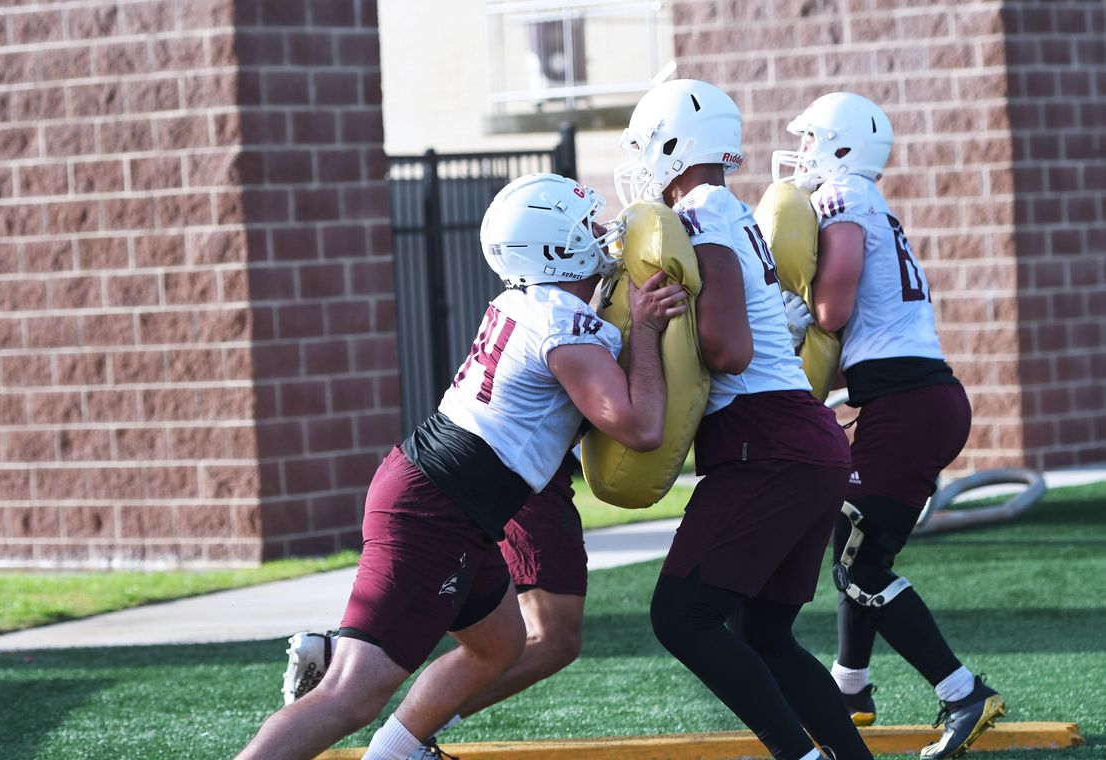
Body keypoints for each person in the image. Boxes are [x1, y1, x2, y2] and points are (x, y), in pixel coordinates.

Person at [233, 172, 688, 760]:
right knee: (352, 695)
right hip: (437, 510)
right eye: (585, 225)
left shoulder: (528, 303)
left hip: (446, 500)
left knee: (498, 644)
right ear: (554, 248)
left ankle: (394, 752)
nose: (601, 233)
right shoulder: (560, 321)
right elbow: (641, 427)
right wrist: (648, 331)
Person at [614, 78, 872, 760]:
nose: (641, 163)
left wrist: (653, 332)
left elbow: (730, 349)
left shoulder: (701, 211)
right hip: (798, 439)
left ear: (675, 146)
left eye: (647, 147)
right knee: (763, 634)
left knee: (680, 617)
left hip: (768, 440)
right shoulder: (722, 209)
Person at [772, 91, 1006, 760]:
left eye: (813, 140)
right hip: (917, 398)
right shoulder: (874, 205)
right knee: (856, 541)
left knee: (857, 561)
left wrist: (800, 305)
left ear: (841, 148)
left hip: (909, 406)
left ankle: (963, 692)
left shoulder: (844, 198)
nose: (805, 154)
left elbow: (834, 304)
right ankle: (851, 687)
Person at [280, 450, 590, 759]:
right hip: (492, 476)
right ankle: (405, 732)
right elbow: (631, 429)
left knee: (498, 643)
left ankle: (394, 730)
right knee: (349, 692)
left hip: (474, 476)